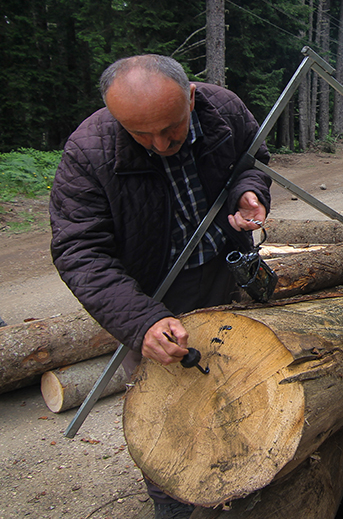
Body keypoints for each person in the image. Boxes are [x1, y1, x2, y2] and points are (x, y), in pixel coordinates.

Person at [49, 54, 271, 519]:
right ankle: (174, 506)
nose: (159, 142)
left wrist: (247, 193)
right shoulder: (88, 153)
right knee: (167, 412)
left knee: (243, 385)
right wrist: (142, 321)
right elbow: (79, 251)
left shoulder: (223, 110)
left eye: (171, 128)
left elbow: (254, 158)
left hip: (227, 272)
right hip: (153, 297)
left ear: (190, 97)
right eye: (140, 134)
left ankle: (244, 483)